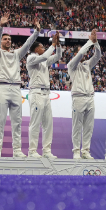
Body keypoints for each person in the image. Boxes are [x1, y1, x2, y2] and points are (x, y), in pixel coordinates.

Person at [0, 11, 39, 158]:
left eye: (9, 39)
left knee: (17, 122)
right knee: (0, 120)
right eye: (5, 39)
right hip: (2, 87)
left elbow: (28, 44)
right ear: (1, 41)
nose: (8, 41)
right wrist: (0, 27)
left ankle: (17, 149)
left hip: (16, 89)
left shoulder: (17, 54)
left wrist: (36, 32)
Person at [26, 31, 62, 159]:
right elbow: (44, 57)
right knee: (35, 123)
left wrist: (57, 45)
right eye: (42, 47)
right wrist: (52, 45)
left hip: (46, 94)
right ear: (36, 49)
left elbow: (58, 55)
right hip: (36, 93)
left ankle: (46, 151)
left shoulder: (44, 61)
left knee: (48, 124)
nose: (44, 49)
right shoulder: (31, 58)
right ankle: (32, 151)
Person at [68, 30, 102, 160]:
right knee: (77, 126)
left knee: (88, 127)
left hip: (90, 98)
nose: (83, 54)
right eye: (80, 52)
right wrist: (89, 42)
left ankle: (86, 151)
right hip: (78, 98)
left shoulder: (87, 64)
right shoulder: (71, 65)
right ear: (76, 53)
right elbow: (81, 53)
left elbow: (98, 56)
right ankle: (76, 150)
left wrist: (96, 43)